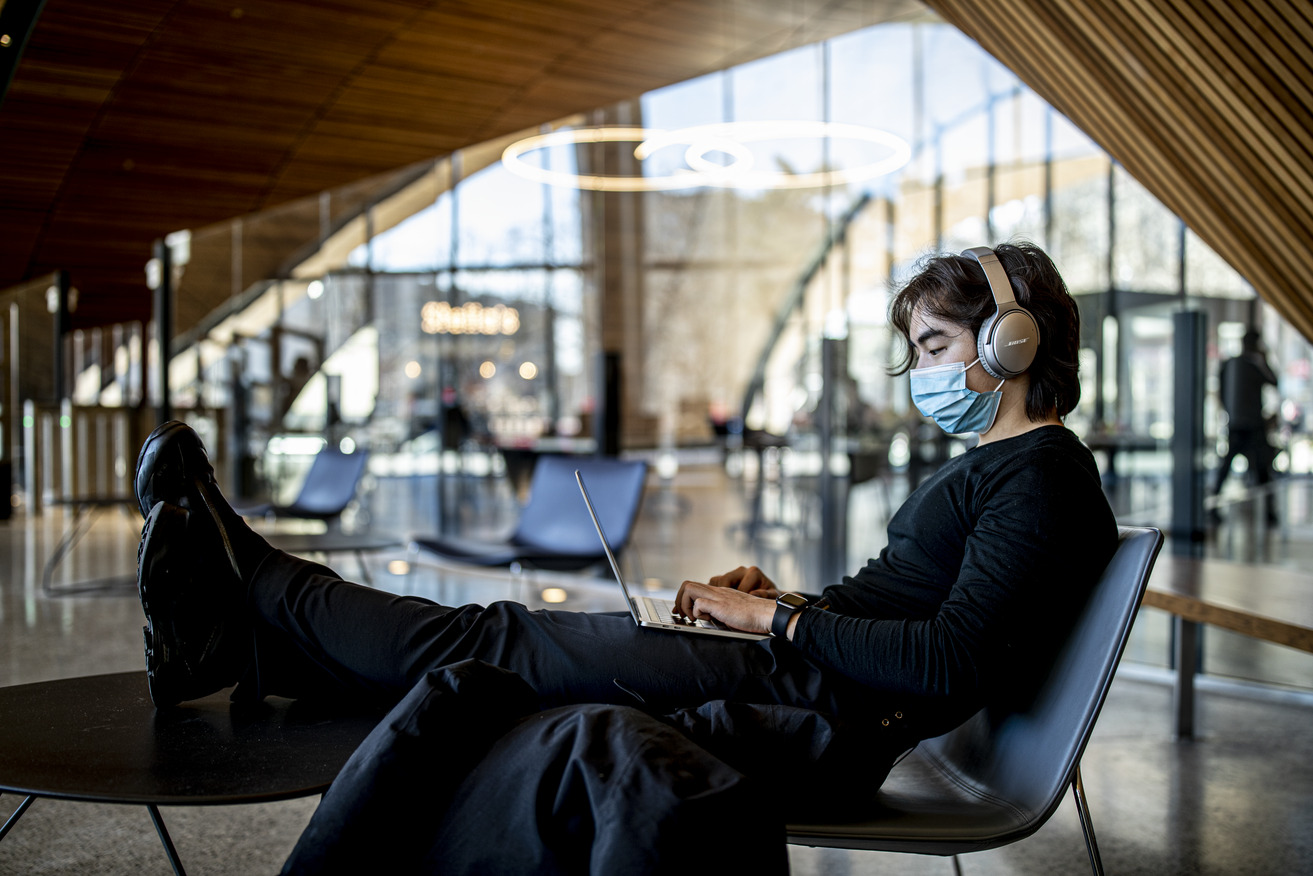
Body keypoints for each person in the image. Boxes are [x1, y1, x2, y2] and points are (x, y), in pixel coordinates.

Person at [132, 242, 1117, 871]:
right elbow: (909, 614)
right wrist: (782, 596)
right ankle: (251, 639)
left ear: (1014, 340)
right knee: (498, 647)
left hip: (815, 707)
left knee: (498, 640)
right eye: (916, 350)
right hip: (806, 673)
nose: (921, 374)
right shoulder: (1008, 468)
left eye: (937, 344)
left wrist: (775, 621)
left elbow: (948, 661)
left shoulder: (1036, 476)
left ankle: (253, 584)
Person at [1213, 329, 1279, 522]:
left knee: (1236, 468)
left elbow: (1221, 393)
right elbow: (1274, 381)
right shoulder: (1249, 365)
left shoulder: (1235, 364)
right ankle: (1268, 513)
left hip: (1241, 424)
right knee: (1255, 469)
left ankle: (1268, 512)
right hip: (1248, 425)